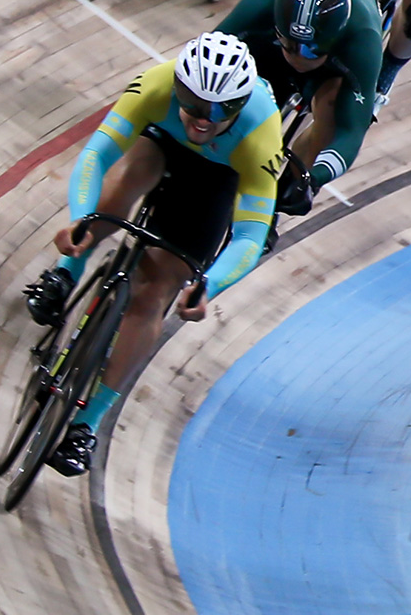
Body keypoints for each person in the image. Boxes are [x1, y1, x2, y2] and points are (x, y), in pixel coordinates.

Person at [21, 33, 283, 474]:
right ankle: (65, 273)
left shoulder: (261, 131)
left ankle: (87, 423)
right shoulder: (156, 84)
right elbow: (96, 156)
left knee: (154, 293)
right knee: (125, 184)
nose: (204, 120)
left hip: (215, 180)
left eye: (221, 112)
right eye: (195, 105)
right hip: (161, 144)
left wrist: (208, 284)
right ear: (178, 88)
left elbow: (249, 236)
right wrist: (81, 219)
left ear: (239, 108)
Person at [213, 0, 382, 215]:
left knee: (333, 107)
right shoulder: (262, 2)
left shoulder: (362, 39)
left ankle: (288, 188)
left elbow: (350, 131)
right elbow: (205, 56)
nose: (299, 58)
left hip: (328, 71)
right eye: (291, 45)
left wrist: (314, 179)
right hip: (268, 47)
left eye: (312, 50)